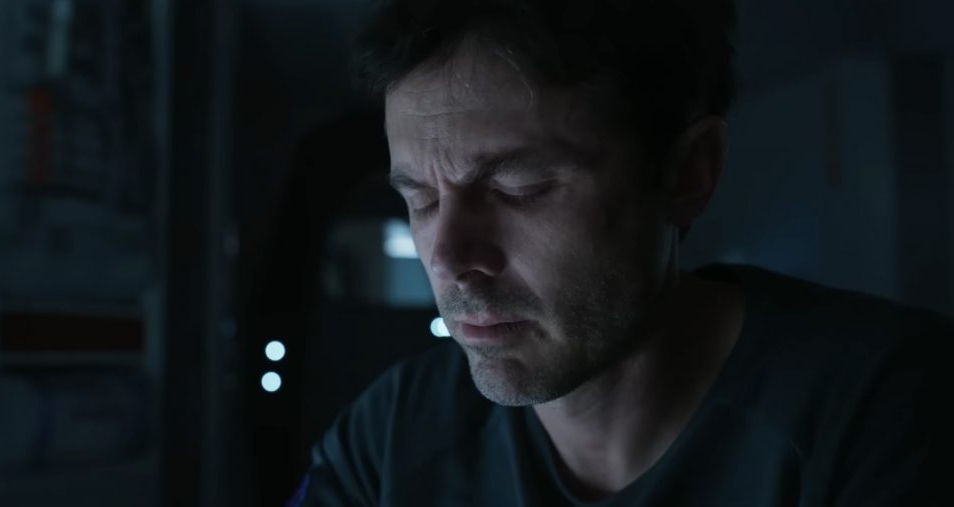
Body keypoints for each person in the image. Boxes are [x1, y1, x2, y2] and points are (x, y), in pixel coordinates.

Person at [292, 0, 951, 505]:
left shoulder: (887, 412)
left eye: (519, 188)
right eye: (422, 200)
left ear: (688, 173)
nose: (448, 258)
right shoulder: (390, 438)